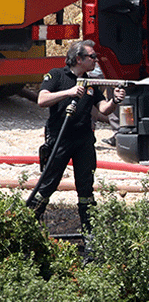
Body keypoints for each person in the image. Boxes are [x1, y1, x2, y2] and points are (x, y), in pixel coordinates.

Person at [26, 40, 125, 231]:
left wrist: (114, 100)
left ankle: (89, 235)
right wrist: (69, 92)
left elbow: (103, 109)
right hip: (60, 138)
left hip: (84, 141)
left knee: (86, 188)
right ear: (78, 59)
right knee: (48, 184)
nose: (96, 60)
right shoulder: (56, 75)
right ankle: (28, 225)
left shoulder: (90, 82)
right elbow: (41, 99)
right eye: (92, 57)